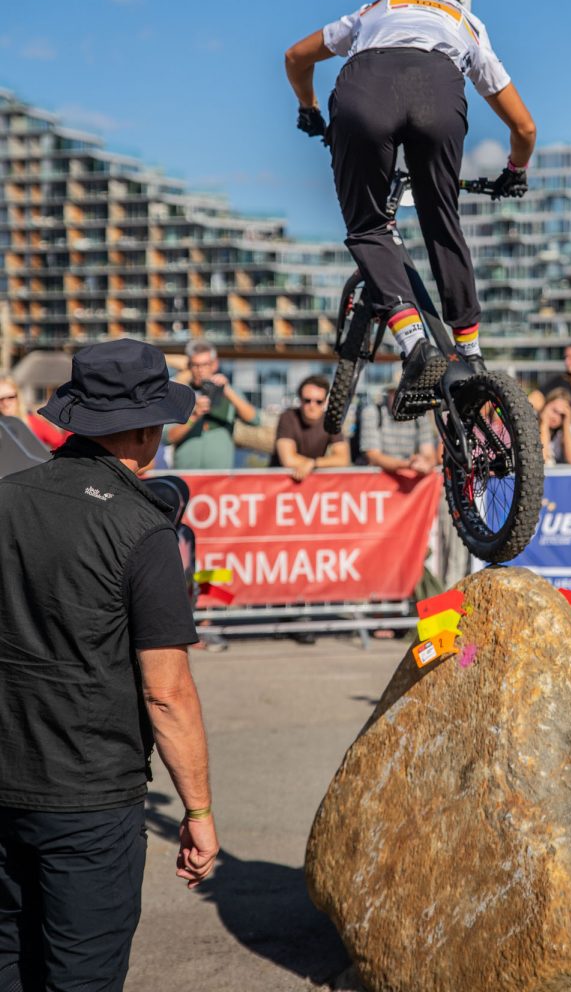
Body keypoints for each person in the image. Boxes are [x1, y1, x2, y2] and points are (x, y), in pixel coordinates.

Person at [0, 338, 219, 992]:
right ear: (147, 430)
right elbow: (167, 694)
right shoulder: (142, 529)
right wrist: (198, 811)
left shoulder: (6, 497)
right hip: (89, 799)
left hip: (6, 778)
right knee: (81, 976)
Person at [285, 0, 537, 402]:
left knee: (368, 225)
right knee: (441, 219)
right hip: (437, 94)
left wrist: (309, 109)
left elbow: (295, 56)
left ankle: (414, 343)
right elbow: (525, 128)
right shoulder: (467, 22)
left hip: (366, 91)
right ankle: (471, 351)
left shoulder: (375, 9)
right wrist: (514, 173)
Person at [167, 340, 261, 469]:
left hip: (220, 476)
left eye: (205, 365)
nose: (200, 370)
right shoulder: (180, 394)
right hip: (186, 474)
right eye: (195, 365)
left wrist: (227, 390)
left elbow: (254, 420)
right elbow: (168, 437)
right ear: (189, 366)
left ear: (215, 364)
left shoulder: (229, 392)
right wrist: (194, 416)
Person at [273, 375, 350, 483]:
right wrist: (313, 464)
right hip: (282, 484)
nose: (312, 406)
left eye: (319, 401)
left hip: (314, 484)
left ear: (325, 401)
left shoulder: (331, 420)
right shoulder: (288, 417)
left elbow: (343, 459)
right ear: (300, 400)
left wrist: (313, 463)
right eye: (307, 400)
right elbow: (288, 459)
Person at [359, 387, 438, 475]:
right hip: (382, 478)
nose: (400, 397)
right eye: (395, 392)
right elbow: (373, 456)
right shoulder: (373, 412)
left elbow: (429, 454)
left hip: (410, 476)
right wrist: (408, 464)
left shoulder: (420, 415)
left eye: (405, 391)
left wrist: (425, 463)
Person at [0, 373, 67, 449]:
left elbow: (60, 444)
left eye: (10, 397)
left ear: (18, 397)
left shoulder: (33, 422)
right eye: (1, 399)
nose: (6, 403)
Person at [539, 389, 571, 465]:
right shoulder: (532, 425)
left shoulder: (569, 429)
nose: (555, 418)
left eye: (562, 415)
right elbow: (540, 459)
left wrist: (566, 425)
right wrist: (544, 424)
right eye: (554, 411)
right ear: (546, 406)